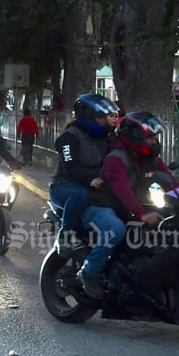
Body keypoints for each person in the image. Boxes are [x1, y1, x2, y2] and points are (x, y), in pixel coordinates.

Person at [77, 111, 179, 299]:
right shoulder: (117, 158)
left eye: (154, 137)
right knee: (115, 229)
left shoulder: (149, 159)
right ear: (135, 137)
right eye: (149, 137)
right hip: (101, 206)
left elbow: (171, 180)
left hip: (127, 208)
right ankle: (89, 272)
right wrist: (142, 213)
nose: (154, 141)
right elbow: (123, 190)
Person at [49, 93, 119, 257]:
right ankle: (64, 234)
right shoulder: (68, 137)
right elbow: (70, 168)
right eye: (100, 117)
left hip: (96, 187)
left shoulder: (104, 137)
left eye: (105, 117)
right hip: (65, 187)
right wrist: (90, 180)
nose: (104, 121)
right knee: (81, 194)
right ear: (87, 116)